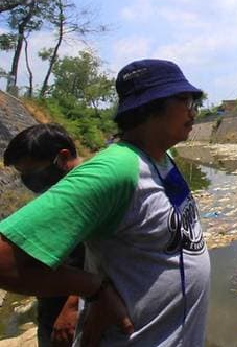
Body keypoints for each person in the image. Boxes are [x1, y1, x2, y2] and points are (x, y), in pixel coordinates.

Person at [0, 59, 210, 347]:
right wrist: (93, 289)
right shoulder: (115, 168)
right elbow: (4, 259)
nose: (192, 110)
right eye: (184, 99)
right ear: (150, 105)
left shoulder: (162, 158)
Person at [3, 123, 85, 347]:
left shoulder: (89, 195)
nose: (28, 180)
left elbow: (112, 256)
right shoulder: (56, 195)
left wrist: (72, 306)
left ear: (63, 157)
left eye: (32, 172)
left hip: (78, 317)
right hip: (52, 311)